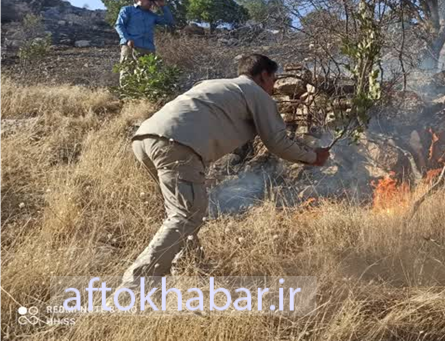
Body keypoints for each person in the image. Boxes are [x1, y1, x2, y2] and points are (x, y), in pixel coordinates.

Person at [119, 54, 330, 291]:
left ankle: (191, 269)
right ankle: (134, 288)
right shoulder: (256, 93)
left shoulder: (214, 85)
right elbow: (277, 142)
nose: (273, 87)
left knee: (184, 211)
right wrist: (313, 157)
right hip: (177, 144)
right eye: (273, 80)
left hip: (145, 139)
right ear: (264, 76)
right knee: (185, 214)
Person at [114, 0, 174, 83]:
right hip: (131, 45)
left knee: (148, 74)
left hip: (148, 48)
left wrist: (163, 6)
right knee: (127, 70)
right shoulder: (127, 10)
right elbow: (119, 25)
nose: (151, 2)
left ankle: (144, 95)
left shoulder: (152, 16)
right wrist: (127, 39)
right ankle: (126, 95)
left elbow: (169, 21)